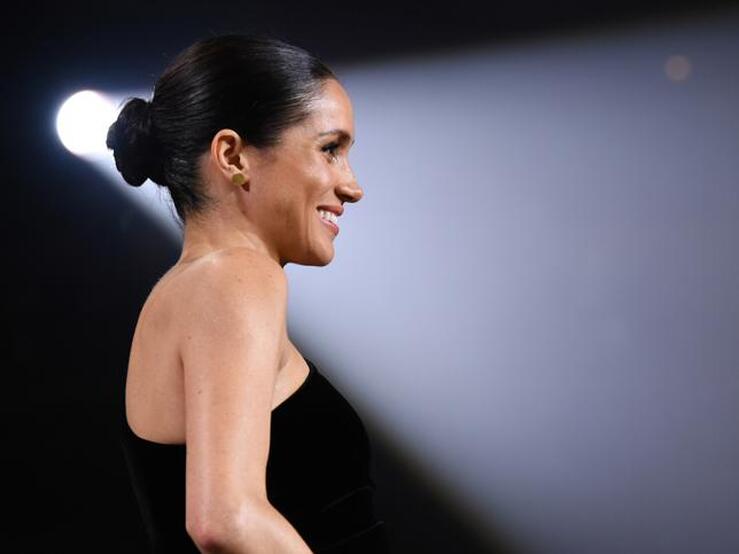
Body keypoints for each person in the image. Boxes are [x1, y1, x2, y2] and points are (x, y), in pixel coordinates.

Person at [107, 34, 390, 554]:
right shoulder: (235, 278)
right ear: (233, 155)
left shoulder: (185, 291)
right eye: (330, 150)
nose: (353, 186)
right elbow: (225, 519)